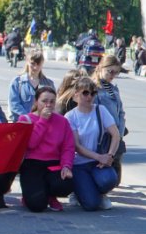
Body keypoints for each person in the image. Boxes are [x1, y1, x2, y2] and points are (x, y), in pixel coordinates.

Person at [65, 77, 120, 211]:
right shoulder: (70, 116)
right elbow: (77, 146)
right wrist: (99, 157)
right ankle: (79, 191)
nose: (89, 97)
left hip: (98, 163)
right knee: (91, 205)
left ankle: (99, 192)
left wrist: (109, 156)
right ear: (76, 94)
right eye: (85, 93)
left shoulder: (100, 110)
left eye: (93, 93)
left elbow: (116, 134)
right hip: (79, 164)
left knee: (109, 180)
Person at [16, 86, 75, 212]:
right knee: (37, 206)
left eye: (52, 101)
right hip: (32, 163)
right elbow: (31, 144)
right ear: (36, 102)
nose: (48, 105)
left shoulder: (62, 121)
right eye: (44, 101)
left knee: (66, 184)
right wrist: (43, 120)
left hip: (53, 163)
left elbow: (68, 147)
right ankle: (30, 195)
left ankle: (50, 195)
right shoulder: (25, 119)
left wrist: (66, 166)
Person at [92, 54, 126, 184]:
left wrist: (119, 132)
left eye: (116, 73)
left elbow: (121, 112)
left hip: (116, 136)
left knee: (115, 177)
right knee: (104, 174)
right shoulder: (93, 87)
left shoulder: (114, 89)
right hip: (102, 137)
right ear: (101, 67)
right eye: (110, 71)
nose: (113, 75)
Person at [8, 51, 55, 122]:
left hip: (43, 124)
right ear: (27, 62)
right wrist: (29, 118)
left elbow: (53, 104)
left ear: (42, 64)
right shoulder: (17, 82)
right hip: (23, 124)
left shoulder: (49, 83)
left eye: (38, 64)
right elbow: (14, 105)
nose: (35, 67)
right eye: (33, 64)